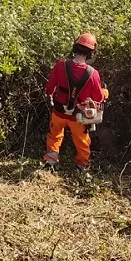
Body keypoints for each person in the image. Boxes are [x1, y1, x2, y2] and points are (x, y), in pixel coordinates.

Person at [43, 33, 108, 176]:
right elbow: (98, 97)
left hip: (59, 112)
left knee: (54, 135)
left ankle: (51, 162)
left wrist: (50, 95)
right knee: (82, 141)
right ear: (91, 53)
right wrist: (105, 93)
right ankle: (81, 167)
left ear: (75, 47)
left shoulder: (60, 65)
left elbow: (50, 88)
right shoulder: (93, 73)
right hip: (78, 117)